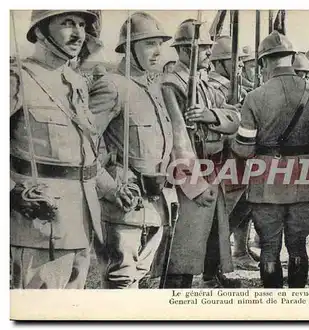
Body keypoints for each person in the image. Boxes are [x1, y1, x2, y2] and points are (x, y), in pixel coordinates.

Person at [10, 10, 128, 289]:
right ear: (39, 31)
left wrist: (113, 190)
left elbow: (82, 154)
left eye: (82, 25)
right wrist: (12, 191)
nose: (78, 33)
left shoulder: (75, 82)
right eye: (67, 24)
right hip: (38, 223)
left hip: (80, 221)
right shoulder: (18, 79)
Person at [88, 12, 205, 289]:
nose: (157, 52)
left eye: (159, 44)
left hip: (157, 203)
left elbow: (176, 140)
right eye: (149, 44)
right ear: (128, 48)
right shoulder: (112, 85)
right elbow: (83, 144)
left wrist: (195, 185)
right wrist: (110, 186)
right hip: (124, 205)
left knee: (141, 278)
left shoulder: (155, 86)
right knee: (121, 281)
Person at [232, 31, 309, 288]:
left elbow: (244, 149)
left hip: (267, 180)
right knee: (298, 246)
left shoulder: (254, 98)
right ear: (292, 57)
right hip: (306, 177)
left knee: (269, 248)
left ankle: (274, 309)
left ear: (264, 61)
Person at [162, 19, 241, 288]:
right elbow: (177, 140)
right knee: (185, 240)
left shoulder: (206, 83)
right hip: (190, 171)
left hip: (213, 166)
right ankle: (176, 289)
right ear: (185, 51)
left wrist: (209, 115)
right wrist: (195, 182)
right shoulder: (172, 85)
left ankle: (210, 275)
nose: (210, 52)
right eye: (204, 48)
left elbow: (234, 118)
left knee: (211, 234)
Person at [207, 36, 259, 271]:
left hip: (240, 158)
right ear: (219, 63)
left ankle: (237, 251)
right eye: (233, 62)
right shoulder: (213, 87)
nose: (239, 66)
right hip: (223, 158)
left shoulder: (237, 87)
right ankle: (214, 266)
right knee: (221, 216)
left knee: (243, 207)